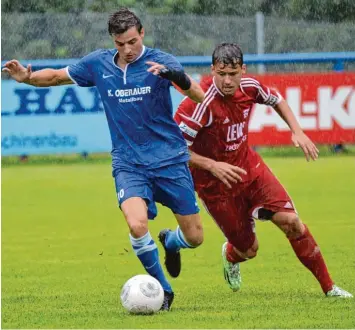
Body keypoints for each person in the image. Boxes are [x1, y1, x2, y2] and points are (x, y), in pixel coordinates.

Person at [2, 8, 206, 310]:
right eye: (120, 43)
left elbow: (199, 96)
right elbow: (58, 77)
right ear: (113, 40)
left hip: (169, 160)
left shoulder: (162, 61)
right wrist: (28, 78)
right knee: (136, 225)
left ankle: (171, 242)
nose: (127, 50)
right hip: (129, 163)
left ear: (142, 34)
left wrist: (178, 78)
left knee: (195, 237)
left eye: (132, 42)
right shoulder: (98, 64)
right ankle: (163, 290)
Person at [173, 42, 352, 298]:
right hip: (215, 187)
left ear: (243, 70)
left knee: (292, 223)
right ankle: (231, 254)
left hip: (251, 171)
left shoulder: (250, 87)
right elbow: (175, 150)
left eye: (233, 74)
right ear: (212, 70)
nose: (227, 81)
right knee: (249, 250)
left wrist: (297, 131)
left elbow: (277, 100)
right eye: (221, 74)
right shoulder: (198, 103)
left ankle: (329, 288)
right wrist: (212, 165)